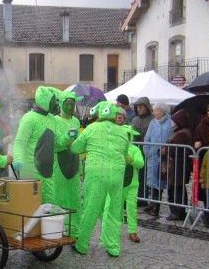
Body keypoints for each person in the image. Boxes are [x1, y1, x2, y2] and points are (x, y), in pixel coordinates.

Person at [70, 102, 130, 257]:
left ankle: (82, 244)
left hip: (96, 174)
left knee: (91, 208)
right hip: (117, 175)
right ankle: (113, 248)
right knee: (113, 211)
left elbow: (76, 148)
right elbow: (124, 151)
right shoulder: (123, 132)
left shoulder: (91, 128)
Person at [13, 86, 69, 205]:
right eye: (54, 100)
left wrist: (68, 137)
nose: (57, 104)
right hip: (31, 172)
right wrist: (18, 159)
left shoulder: (52, 119)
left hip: (48, 172)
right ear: (46, 99)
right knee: (31, 206)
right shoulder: (28, 118)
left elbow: (57, 143)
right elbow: (20, 142)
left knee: (49, 207)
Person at [53, 91, 83, 235]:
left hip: (74, 162)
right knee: (60, 197)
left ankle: (74, 229)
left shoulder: (76, 121)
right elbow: (56, 145)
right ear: (61, 105)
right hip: (59, 163)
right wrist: (67, 137)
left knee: (75, 197)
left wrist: (81, 168)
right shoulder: (55, 121)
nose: (71, 107)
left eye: (73, 104)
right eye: (68, 104)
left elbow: (77, 145)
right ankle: (59, 228)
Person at [114, 111, 144, 243]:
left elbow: (141, 164)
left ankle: (132, 231)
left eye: (127, 135)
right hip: (118, 183)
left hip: (132, 184)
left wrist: (131, 159)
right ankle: (116, 229)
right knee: (117, 207)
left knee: (131, 208)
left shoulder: (135, 149)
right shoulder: (115, 148)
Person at [161, 109, 192, 222]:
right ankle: (176, 211)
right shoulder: (179, 131)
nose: (171, 123)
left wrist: (163, 150)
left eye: (173, 120)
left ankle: (177, 212)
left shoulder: (182, 134)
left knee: (176, 189)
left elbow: (173, 150)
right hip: (175, 165)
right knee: (175, 188)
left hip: (177, 166)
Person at [143, 103, 172, 216]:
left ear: (162, 112)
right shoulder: (153, 122)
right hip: (152, 156)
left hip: (164, 157)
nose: (153, 112)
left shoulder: (170, 123)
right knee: (151, 181)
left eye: (155, 111)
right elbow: (147, 138)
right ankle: (152, 203)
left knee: (160, 181)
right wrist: (148, 151)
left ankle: (157, 206)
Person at [131, 97, 153, 205]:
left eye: (141, 107)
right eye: (137, 107)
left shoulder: (152, 120)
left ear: (146, 108)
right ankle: (139, 197)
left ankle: (145, 198)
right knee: (138, 176)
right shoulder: (135, 120)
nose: (139, 109)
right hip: (137, 151)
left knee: (147, 176)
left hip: (148, 151)